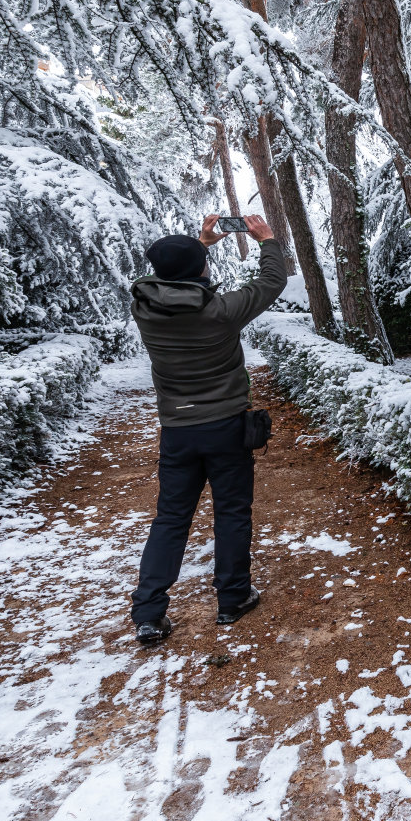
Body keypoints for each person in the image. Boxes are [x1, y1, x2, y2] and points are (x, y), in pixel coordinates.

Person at [129, 213, 286, 646]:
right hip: (225, 427)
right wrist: (266, 239)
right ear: (200, 270)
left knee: (171, 518)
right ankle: (232, 598)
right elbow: (272, 282)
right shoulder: (220, 311)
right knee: (232, 511)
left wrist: (198, 248)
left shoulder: (143, 307)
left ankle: (148, 612)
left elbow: (159, 277)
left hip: (177, 430)